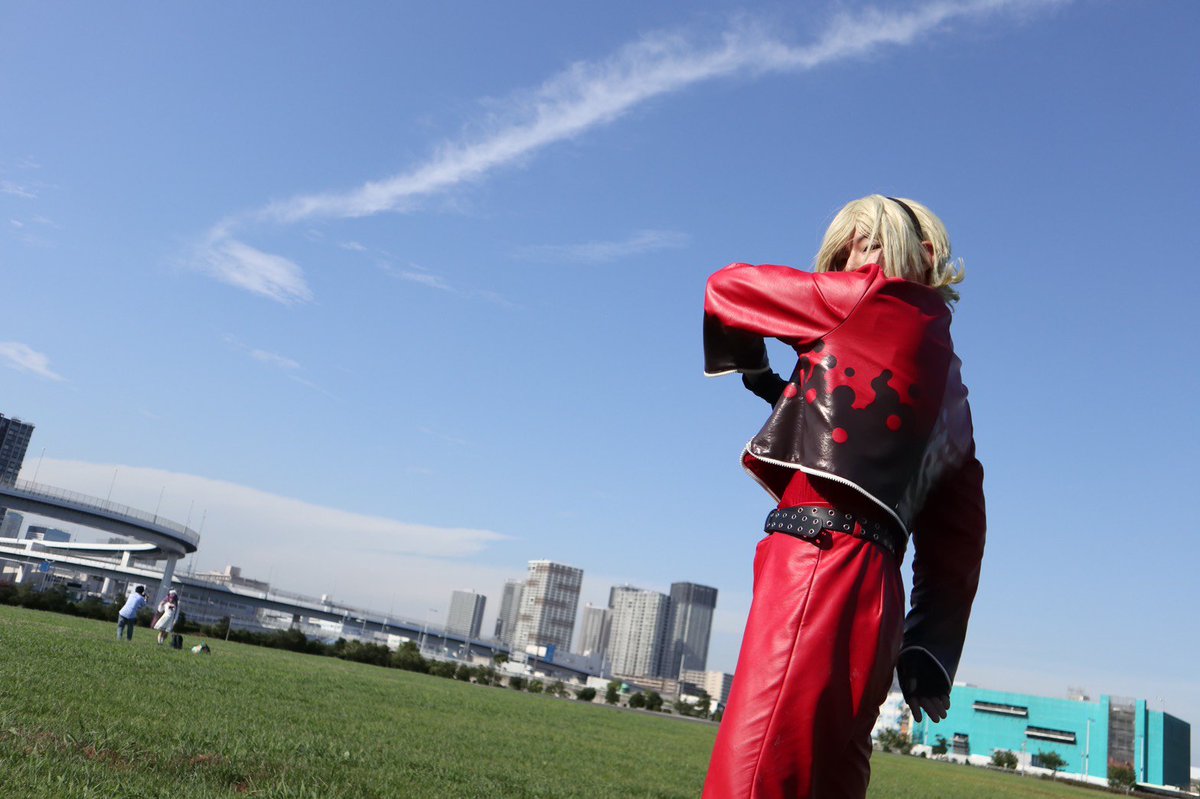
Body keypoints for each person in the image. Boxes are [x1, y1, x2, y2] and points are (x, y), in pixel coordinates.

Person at [701, 195, 986, 798]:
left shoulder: (861, 298)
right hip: (881, 594)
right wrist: (927, 648)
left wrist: (756, 370)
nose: (853, 262)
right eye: (844, 252)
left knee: (755, 775)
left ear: (923, 254)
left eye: (869, 243)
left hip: (813, 564)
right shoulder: (955, 392)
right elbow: (959, 535)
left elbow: (726, 288)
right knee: (831, 779)